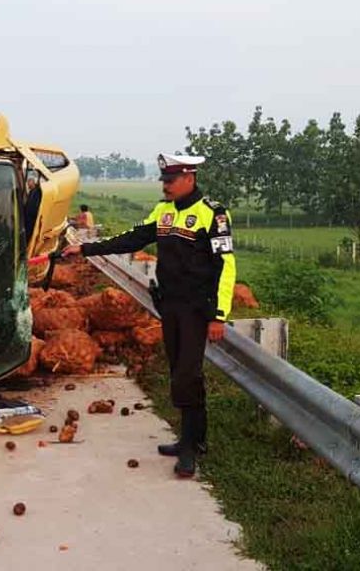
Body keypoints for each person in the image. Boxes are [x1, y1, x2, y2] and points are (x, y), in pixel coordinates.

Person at [62, 153, 236, 478]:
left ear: (189, 178)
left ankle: (188, 448)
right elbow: (132, 238)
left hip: (198, 309)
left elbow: (226, 266)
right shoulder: (163, 212)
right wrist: (86, 249)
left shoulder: (212, 215)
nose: (165, 186)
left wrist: (219, 315)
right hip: (169, 305)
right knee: (178, 370)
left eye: (170, 181)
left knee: (188, 375)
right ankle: (195, 438)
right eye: (163, 181)